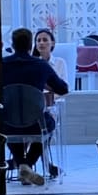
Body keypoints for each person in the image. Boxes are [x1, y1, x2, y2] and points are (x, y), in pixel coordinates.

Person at [0, 27, 68, 186]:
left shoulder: (1, 64)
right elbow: (63, 89)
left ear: (13, 45)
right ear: (31, 45)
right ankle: (27, 164)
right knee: (49, 123)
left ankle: (22, 164)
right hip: (36, 124)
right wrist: (45, 84)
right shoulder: (41, 65)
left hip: (8, 124)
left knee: (7, 121)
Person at [32, 28, 68, 178]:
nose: (41, 43)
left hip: (51, 106)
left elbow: (63, 89)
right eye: (38, 40)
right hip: (32, 107)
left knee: (46, 124)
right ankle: (44, 165)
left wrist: (48, 94)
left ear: (52, 43)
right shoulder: (32, 64)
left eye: (45, 40)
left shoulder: (59, 63)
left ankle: (24, 163)